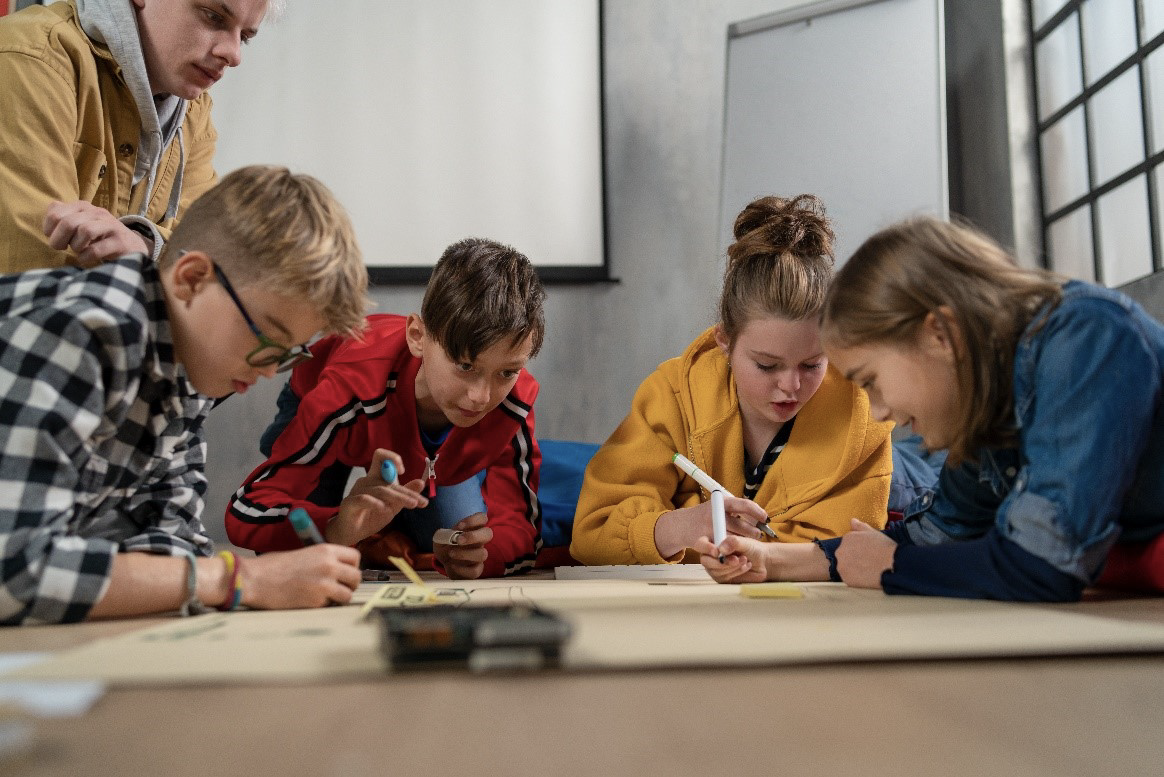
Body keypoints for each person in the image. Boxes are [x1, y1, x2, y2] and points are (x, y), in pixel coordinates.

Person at [699, 217, 1164, 601]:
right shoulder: (982, 399)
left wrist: (892, 565)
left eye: (871, 381)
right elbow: (940, 533)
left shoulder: (1087, 339)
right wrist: (773, 560)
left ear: (940, 334)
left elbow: (1042, 564)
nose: (879, 412)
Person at [0, 164, 370, 625]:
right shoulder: (84, 332)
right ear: (192, 278)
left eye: (290, 352)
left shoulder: (188, 373)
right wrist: (239, 580)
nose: (273, 367)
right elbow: (15, 570)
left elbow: (169, 544)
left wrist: (197, 576)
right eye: (267, 337)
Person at [570, 194, 897, 566]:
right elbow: (592, 534)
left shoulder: (865, 416)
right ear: (723, 341)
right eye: (767, 365)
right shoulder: (671, 394)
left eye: (812, 365)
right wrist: (680, 526)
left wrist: (674, 518)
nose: (791, 386)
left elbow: (848, 550)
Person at [226, 238, 546, 580]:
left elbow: (522, 527)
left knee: (449, 542)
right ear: (417, 336)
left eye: (507, 372)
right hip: (334, 408)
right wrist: (336, 527)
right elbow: (250, 509)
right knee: (296, 545)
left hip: (410, 450)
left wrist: (485, 555)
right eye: (465, 366)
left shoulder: (513, 401)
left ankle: (383, 528)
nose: (481, 397)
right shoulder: (347, 389)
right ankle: (366, 527)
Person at [0, 0, 273, 273]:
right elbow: (33, 276)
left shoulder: (194, 113)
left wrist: (143, 245)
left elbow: (215, 260)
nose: (234, 55)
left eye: (245, 38)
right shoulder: (30, 59)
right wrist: (161, 264)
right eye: (213, 17)